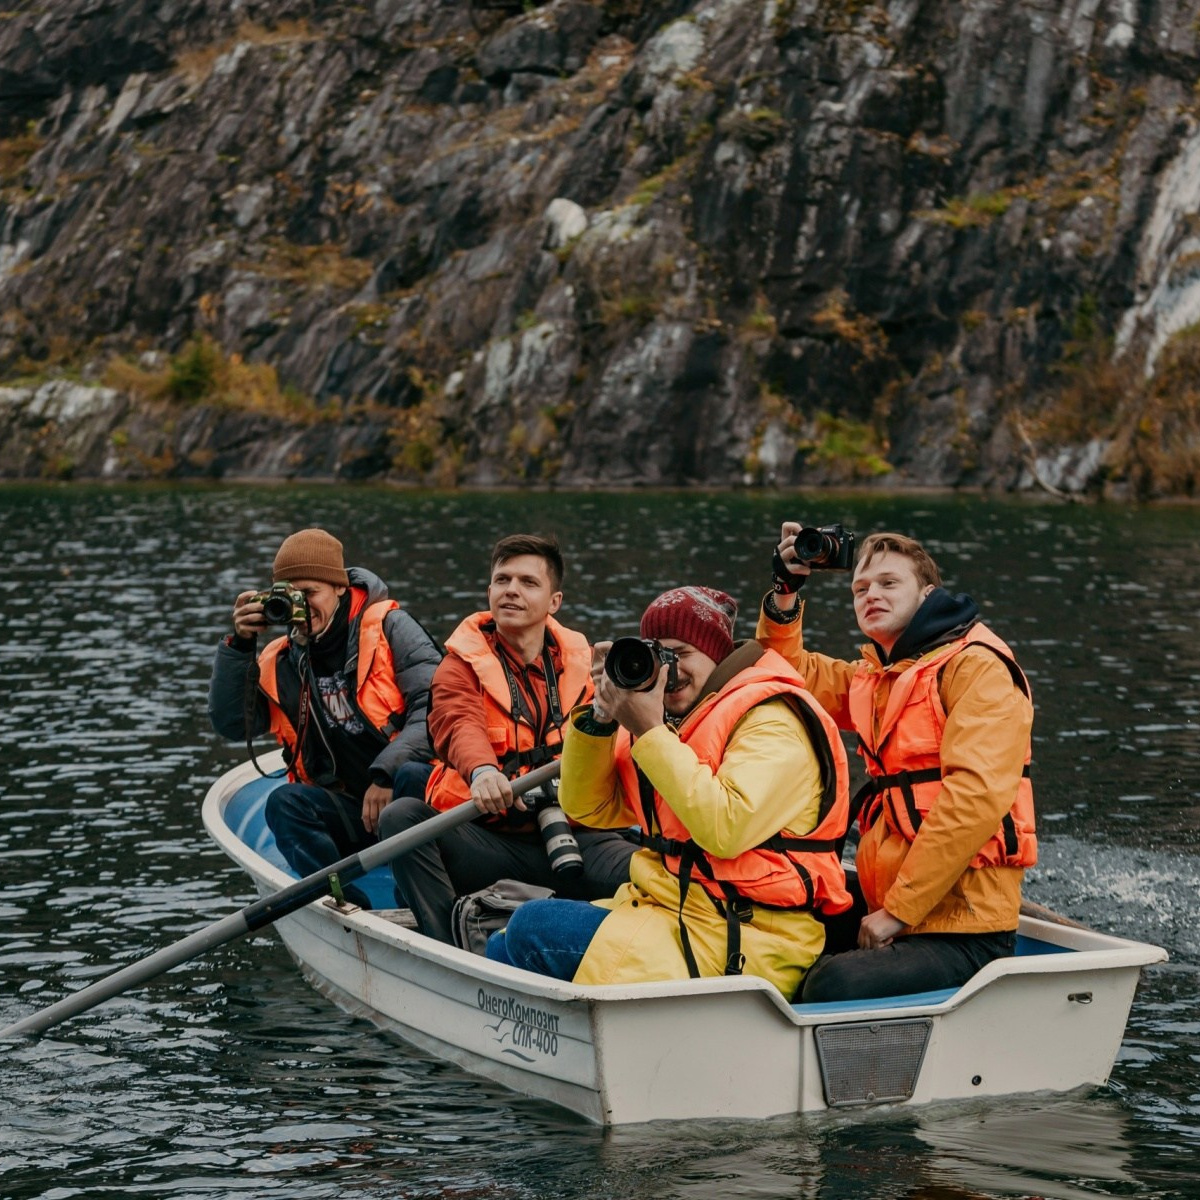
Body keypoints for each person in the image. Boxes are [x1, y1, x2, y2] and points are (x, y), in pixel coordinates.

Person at [487, 585, 853, 999]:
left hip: (745, 936)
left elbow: (725, 828)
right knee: (504, 940)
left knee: (532, 929)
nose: (669, 671)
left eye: (681, 654)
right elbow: (588, 807)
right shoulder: (677, 721)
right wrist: (601, 718)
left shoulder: (772, 720)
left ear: (718, 655)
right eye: (659, 656)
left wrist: (649, 729)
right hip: (674, 913)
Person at [758, 523, 1037, 1003]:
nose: (872, 595)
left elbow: (974, 800)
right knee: (770, 906)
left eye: (890, 583)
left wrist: (899, 913)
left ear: (928, 593)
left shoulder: (977, 667)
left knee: (834, 983)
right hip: (890, 904)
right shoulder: (879, 677)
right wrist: (786, 591)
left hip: (965, 928)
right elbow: (783, 673)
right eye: (860, 588)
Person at [377, 534, 637, 943]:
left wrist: (621, 703)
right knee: (401, 819)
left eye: (528, 582)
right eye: (502, 580)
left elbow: (624, 750)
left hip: (577, 838)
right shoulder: (460, 665)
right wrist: (483, 772)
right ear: (489, 591)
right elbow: (457, 719)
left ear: (555, 602)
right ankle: (452, 949)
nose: (511, 590)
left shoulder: (589, 666)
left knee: (653, 870)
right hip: (493, 841)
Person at [209, 527, 442, 908]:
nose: (301, 608)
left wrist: (387, 773)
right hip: (350, 807)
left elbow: (437, 707)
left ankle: (420, 896)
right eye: (290, 596)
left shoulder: (390, 628)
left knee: (414, 778)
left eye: (310, 594)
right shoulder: (282, 659)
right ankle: (346, 904)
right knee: (284, 804)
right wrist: (239, 646)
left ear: (338, 587)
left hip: (410, 799)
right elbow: (233, 725)